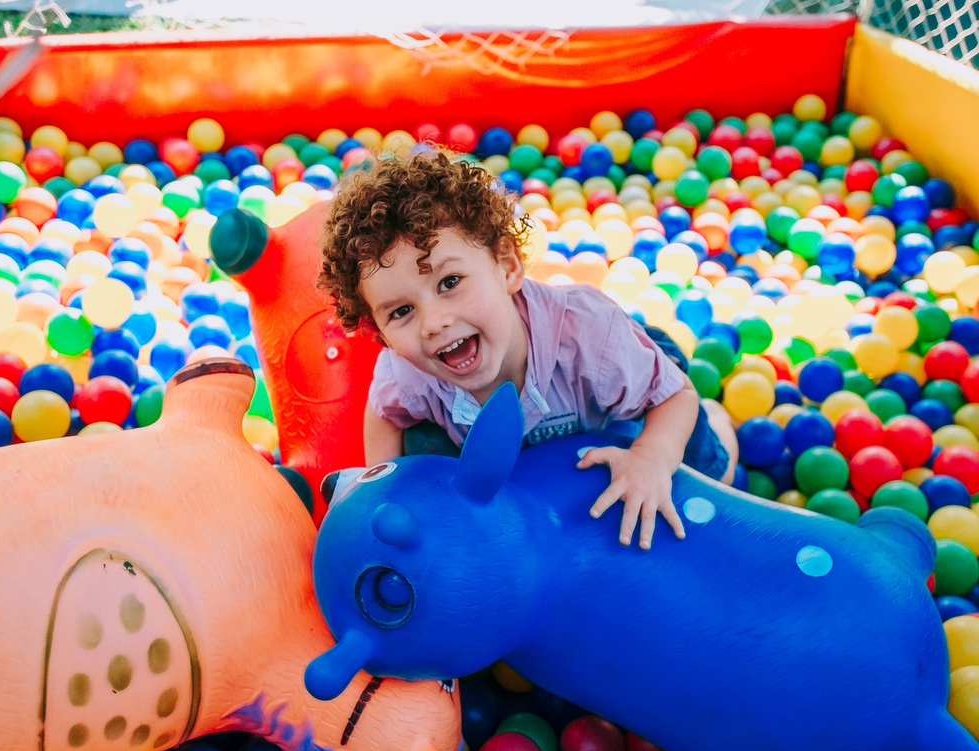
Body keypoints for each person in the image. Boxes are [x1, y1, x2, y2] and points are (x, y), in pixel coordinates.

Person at [316, 149, 738, 549]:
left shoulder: (591, 339)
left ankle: (721, 425)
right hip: (536, 449)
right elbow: (385, 414)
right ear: (381, 334)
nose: (434, 323)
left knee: (705, 474)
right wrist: (386, 488)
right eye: (402, 311)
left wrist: (652, 458)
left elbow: (674, 394)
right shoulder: (408, 371)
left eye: (450, 283)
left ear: (508, 265)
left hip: (634, 376)